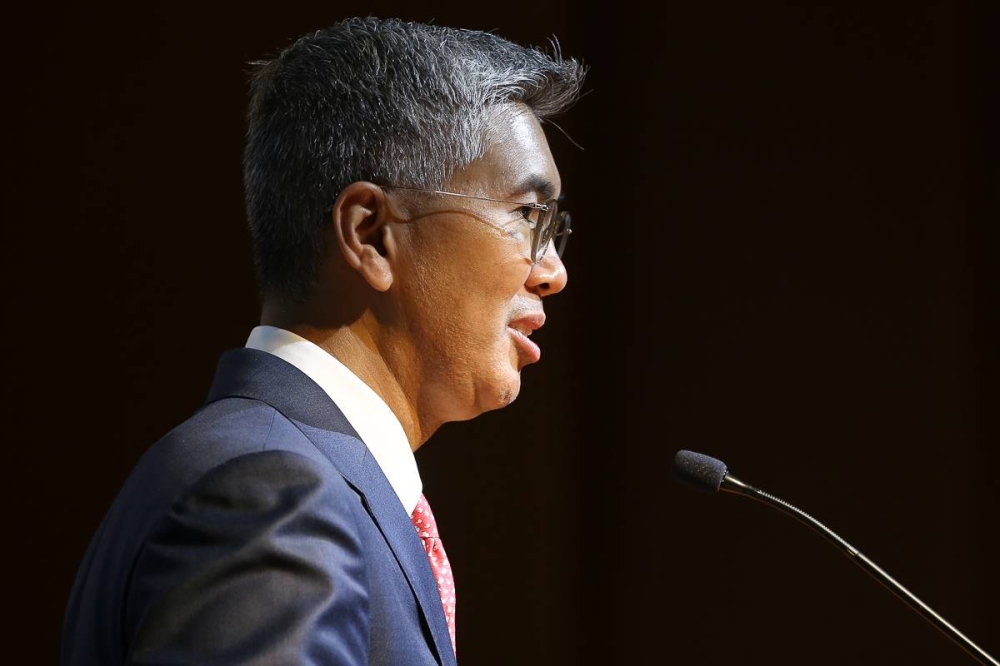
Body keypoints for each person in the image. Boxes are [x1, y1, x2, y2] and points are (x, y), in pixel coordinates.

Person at [60, 16, 586, 666]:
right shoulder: (267, 497)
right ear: (370, 234)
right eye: (527, 217)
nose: (553, 272)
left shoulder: (267, 469)